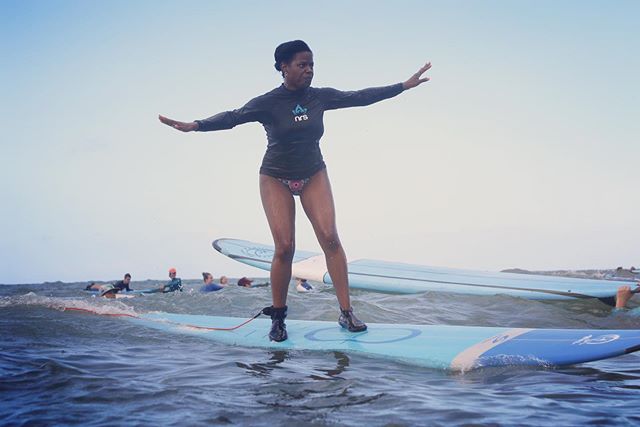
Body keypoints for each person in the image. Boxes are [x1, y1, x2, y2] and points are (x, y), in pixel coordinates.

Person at [159, 40, 431, 342]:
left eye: (311, 64)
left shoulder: (320, 97)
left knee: (330, 238)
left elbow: (360, 97)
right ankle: (278, 316)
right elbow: (233, 117)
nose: (309, 70)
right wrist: (195, 125)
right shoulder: (267, 102)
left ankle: (346, 312)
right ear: (283, 67)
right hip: (276, 176)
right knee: (285, 246)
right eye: (302, 64)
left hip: (313, 172)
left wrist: (403, 86)